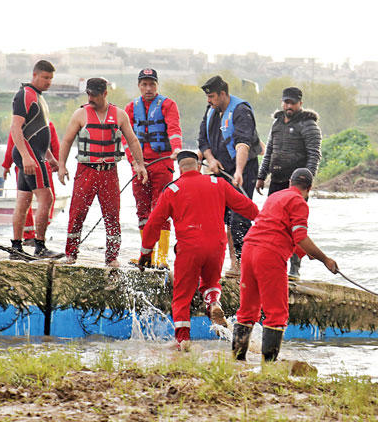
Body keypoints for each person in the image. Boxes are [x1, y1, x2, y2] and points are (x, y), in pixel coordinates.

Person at [138, 150, 259, 347]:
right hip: (216, 247)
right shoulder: (218, 184)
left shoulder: (172, 190)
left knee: (182, 296)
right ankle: (213, 302)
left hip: (189, 248)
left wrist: (146, 252)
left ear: (179, 169)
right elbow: (246, 207)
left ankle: (183, 340)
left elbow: (153, 223)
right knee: (212, 281)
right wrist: (264, 219)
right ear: (198, 165)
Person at [232, 168, 338, 363]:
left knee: (247, 310)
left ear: (290, 182)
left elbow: (276, 226)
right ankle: (269, 365)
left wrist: (304, 251)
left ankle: (237, 361)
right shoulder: (299, 202)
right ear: (309, 188)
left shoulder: (275, 196)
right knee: (276, 312)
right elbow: (300, 236)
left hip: (249, 249)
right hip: (269, 254)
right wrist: (326, 260)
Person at [57, 77, 148, 267]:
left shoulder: (120, 115)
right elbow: (66, 141)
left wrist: (139, 164)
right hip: (86, 171)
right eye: (89, 94)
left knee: (112, 215)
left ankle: (112, 257)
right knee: (77, 213)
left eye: (95, 95)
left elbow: (132, 141)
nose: (91, 98)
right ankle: (71, 253)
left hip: (109, 172)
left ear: (105, 93)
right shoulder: (80, 114)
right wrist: (62, 165)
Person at [198, 75, 263, 275]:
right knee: (221, 218)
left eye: (212, 96)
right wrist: (210, 159)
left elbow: (243, 143)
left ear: (223, 94)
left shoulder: (241, 111)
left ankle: (244, 265)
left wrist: (239, 171)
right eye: (208, 97)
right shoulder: (211, 111)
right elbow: (202, 141)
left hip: (244, 170)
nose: (209, 100)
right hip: (219, 170)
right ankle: (232, 263)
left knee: (239, 219)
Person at [256, 86, 322, 279]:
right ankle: (275, 263)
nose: (288, 105)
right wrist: (261, 176)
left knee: (295, 227)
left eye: (292, 102)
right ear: (282, 102)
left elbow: (314, 155)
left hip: (296, 185)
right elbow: (269, 151)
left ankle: (295, 266)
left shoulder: (309, 125)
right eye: (286, 102)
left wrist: (306, 183)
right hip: (276, 181)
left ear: (300, 103)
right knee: (273, 224)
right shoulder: (277, 123)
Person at [124, 68, 182, 268]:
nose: (148, 88)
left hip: (163, 163)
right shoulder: (131, 107)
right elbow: (127, 137)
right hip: (140, 165)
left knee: (161, 209)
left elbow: (174, 129)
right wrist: (134, 161)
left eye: (152, 84)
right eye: (144, 84)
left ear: (157, 85)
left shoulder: (168, 105)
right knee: (142, 211)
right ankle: (146, 255)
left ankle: (162, 258)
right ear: (139, 86)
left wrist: (176, 150)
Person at [8, 60, 61, 259]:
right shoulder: (25, 95)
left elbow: (39, 133)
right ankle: (40, 246)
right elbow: (16, 128)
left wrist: (51, 157)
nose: (48, 82)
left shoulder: (38, 97)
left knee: (23, 201)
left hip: (35, 154)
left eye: (51, 79)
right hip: (29, 155)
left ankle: (16, 248)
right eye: (45, 78)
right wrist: (25, 156)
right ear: (35, 75)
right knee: (46, 198)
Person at [3, 122, 61, 243]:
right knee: (46, 199)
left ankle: (20, 241)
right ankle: (39, 243)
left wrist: (7, 165)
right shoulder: (45, 123)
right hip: (38, 163)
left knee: (23, 201)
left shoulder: (19, 124)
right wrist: (56, 161)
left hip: (25, 163)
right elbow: (53, 145)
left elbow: (11, 145)